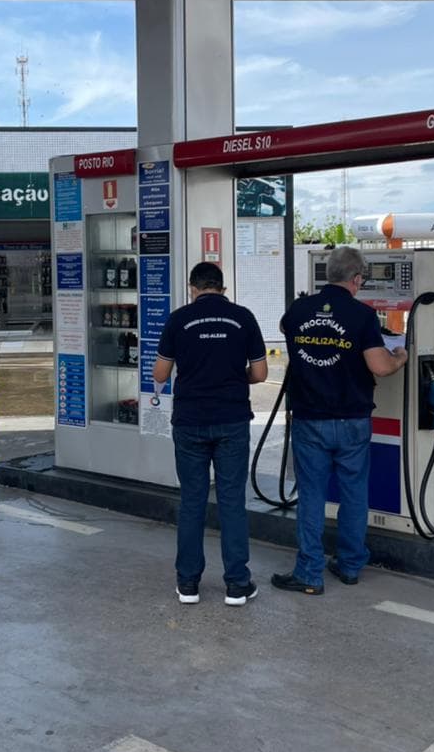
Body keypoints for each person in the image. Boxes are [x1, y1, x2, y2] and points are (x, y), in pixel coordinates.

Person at [272, 246, 408, 595]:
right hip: (352, 420)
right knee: (353, 493)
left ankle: (309, 573)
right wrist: (400, 356)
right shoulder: (362, 316)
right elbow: (380, 367)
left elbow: (284, 326)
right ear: (357, 279)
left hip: (309, 419)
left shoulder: (299, 309)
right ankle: (349, 565)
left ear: (327, 274)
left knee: (311, 496)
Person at [153, 262, 267, 606]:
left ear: (193, 288)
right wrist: (233, 377)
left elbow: (160, 373)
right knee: (232, 501)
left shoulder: (178, 319)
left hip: (190, 421)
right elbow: (261, 373)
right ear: (222, 287)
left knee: (192, 501)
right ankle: (237, 584)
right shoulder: (243, 317)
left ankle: (188, 583)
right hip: (232, 419)